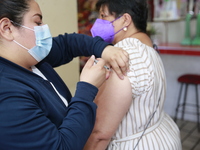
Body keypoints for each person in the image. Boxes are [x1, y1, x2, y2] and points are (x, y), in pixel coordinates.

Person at [0, 0, 129, 150]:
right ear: (7, 28)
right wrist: (87, 89)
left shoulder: (31, 57)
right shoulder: (8, 95)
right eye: (37, 22)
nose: (45, 29)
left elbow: (68, 43)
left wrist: (103, 49)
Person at [84, 0, 182, 149]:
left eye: (103, 16)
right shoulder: (147, 46)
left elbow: (100, 133)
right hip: (161, 135)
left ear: (125, 19)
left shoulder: (123, 55)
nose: (98, 22)